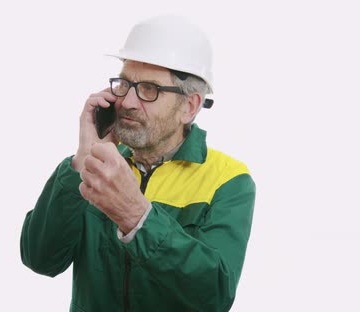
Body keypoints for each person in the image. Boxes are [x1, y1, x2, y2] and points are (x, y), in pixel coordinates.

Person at [20, 15, 256, 312]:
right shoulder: (97, 164)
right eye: (125, 84)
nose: (128, 101)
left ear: (190, 105)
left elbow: (213, 294)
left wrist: (136, 216)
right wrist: (82, 161)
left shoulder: (228, 180)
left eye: (149, 89)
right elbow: (40, 258)